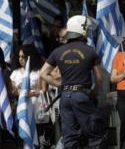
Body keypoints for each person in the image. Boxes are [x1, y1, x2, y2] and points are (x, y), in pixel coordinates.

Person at [39, 15, 106, 149]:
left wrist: (60, 84)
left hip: (65, 97)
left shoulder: (57, 51)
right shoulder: (90, 51)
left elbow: (43, 73)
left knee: (70, 138)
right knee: (95, 135)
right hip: (82, 96)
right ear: (83, 30)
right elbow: (99, 78)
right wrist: (95, 92)